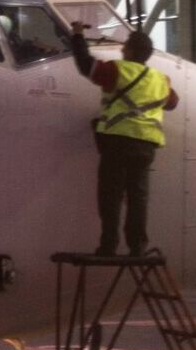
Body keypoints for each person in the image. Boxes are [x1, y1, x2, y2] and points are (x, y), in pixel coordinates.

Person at [70, 26, 178, 257]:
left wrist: (77, 36)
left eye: (125, 45)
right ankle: (137, 246)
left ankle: (108, 245)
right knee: (138, 197)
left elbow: (85, 66)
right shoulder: (161, 80)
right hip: (146, 146)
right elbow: (172, 103)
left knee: (111, 195)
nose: (121, 49)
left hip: (118, 142)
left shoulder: (118, 70)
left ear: (129, 50)